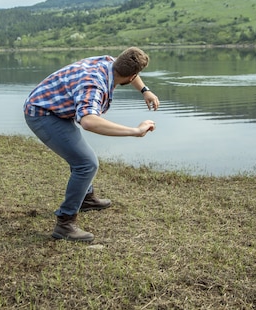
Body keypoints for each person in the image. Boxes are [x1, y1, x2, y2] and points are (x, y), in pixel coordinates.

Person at [23, 47, 159, 242]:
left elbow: (131, 73)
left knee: (81, 156)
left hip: (56, 105)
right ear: (131, 76)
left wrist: (145, 91)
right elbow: (88, 121)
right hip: (42, 113)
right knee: (86, 164)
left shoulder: (110, 62)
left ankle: (86, 199)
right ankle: (65, 223)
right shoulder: (94, 86)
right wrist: (135, 131)